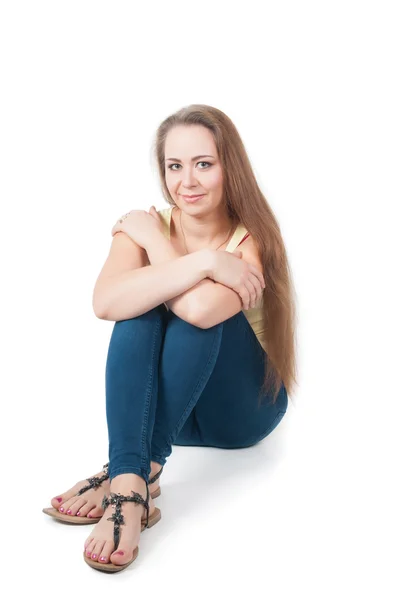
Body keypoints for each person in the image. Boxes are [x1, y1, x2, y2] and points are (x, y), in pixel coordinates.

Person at [43, 104, 298, 572]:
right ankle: (130, 477)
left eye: (204, 164)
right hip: (173, 417)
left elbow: (200, 311)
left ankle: (128, 482)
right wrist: (202, 263)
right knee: (135, 313)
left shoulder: (251, 237)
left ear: (229, 168)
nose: (188, 181)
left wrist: (184, 257)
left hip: (242, 413)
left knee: (196, 312)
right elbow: (105, 303)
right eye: (174, 166)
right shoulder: (145, 224)